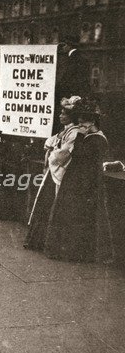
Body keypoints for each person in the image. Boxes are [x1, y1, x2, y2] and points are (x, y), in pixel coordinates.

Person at [43, 98, 115, 262]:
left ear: (91, 123)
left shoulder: (97, 139)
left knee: (78, 215)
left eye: (83, 124)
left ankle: (77, 252)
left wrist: (81, 137)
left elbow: (79, 155)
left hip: (87, 182)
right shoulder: (88, 137)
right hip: (78, 179)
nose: (80, 127)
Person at [25, 97, 81, 251]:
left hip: (60, 171)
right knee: (44, 203)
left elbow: (63, 153)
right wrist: (51, 146)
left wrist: (52, 152)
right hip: (53, 171)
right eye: (61, 113)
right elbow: (52, 142)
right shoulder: (65, 130)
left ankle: (45, 242)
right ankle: (37, 240)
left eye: (64, 114)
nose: (60, 116)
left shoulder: (74, 132)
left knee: (51, 203)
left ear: (71, 117)